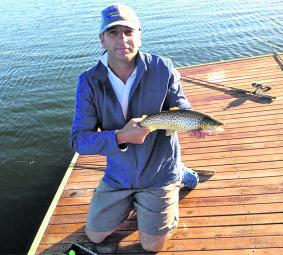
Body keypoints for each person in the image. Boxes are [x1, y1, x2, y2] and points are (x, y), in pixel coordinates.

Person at [70, 3, 212, 252]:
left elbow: (178, 103)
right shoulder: (89, 81)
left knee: (152, 246)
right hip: (119, 175)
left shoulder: (162, 67)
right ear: (101, 39)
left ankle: (176, 176)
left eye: (128, 31)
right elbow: (79, 140)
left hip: (159, 173)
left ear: (139, 35)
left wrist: (191, 122)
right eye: (113, 32)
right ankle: (138, 199)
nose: (122, 39)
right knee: (94, 236)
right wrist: (120, 136)